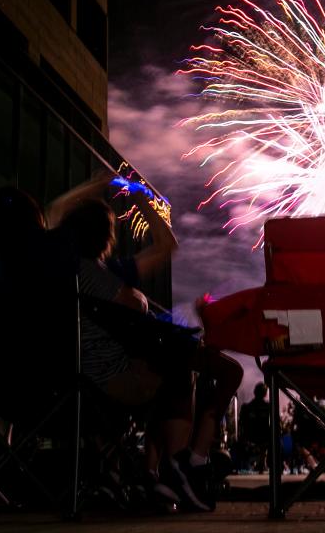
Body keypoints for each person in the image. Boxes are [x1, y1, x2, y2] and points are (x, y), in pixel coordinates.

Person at [59, 176, 243, 512]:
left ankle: (160, 471)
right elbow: (165, 244)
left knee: (172, 365)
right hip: (112, 380)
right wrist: (140, 197)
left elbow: (55, 211)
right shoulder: (96, 274)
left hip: (88, 378)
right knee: (184, 369)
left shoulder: (81, 272)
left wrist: (95, 187)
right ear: (107, 238)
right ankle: (180, 467)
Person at [238, 382, 270, 472]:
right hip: (263, 437)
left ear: (255, 392)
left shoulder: (246, 407)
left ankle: (260, 463)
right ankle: (262, 463)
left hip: (250, 436)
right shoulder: (269, 407)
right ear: (265, 394)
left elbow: (241, 424)